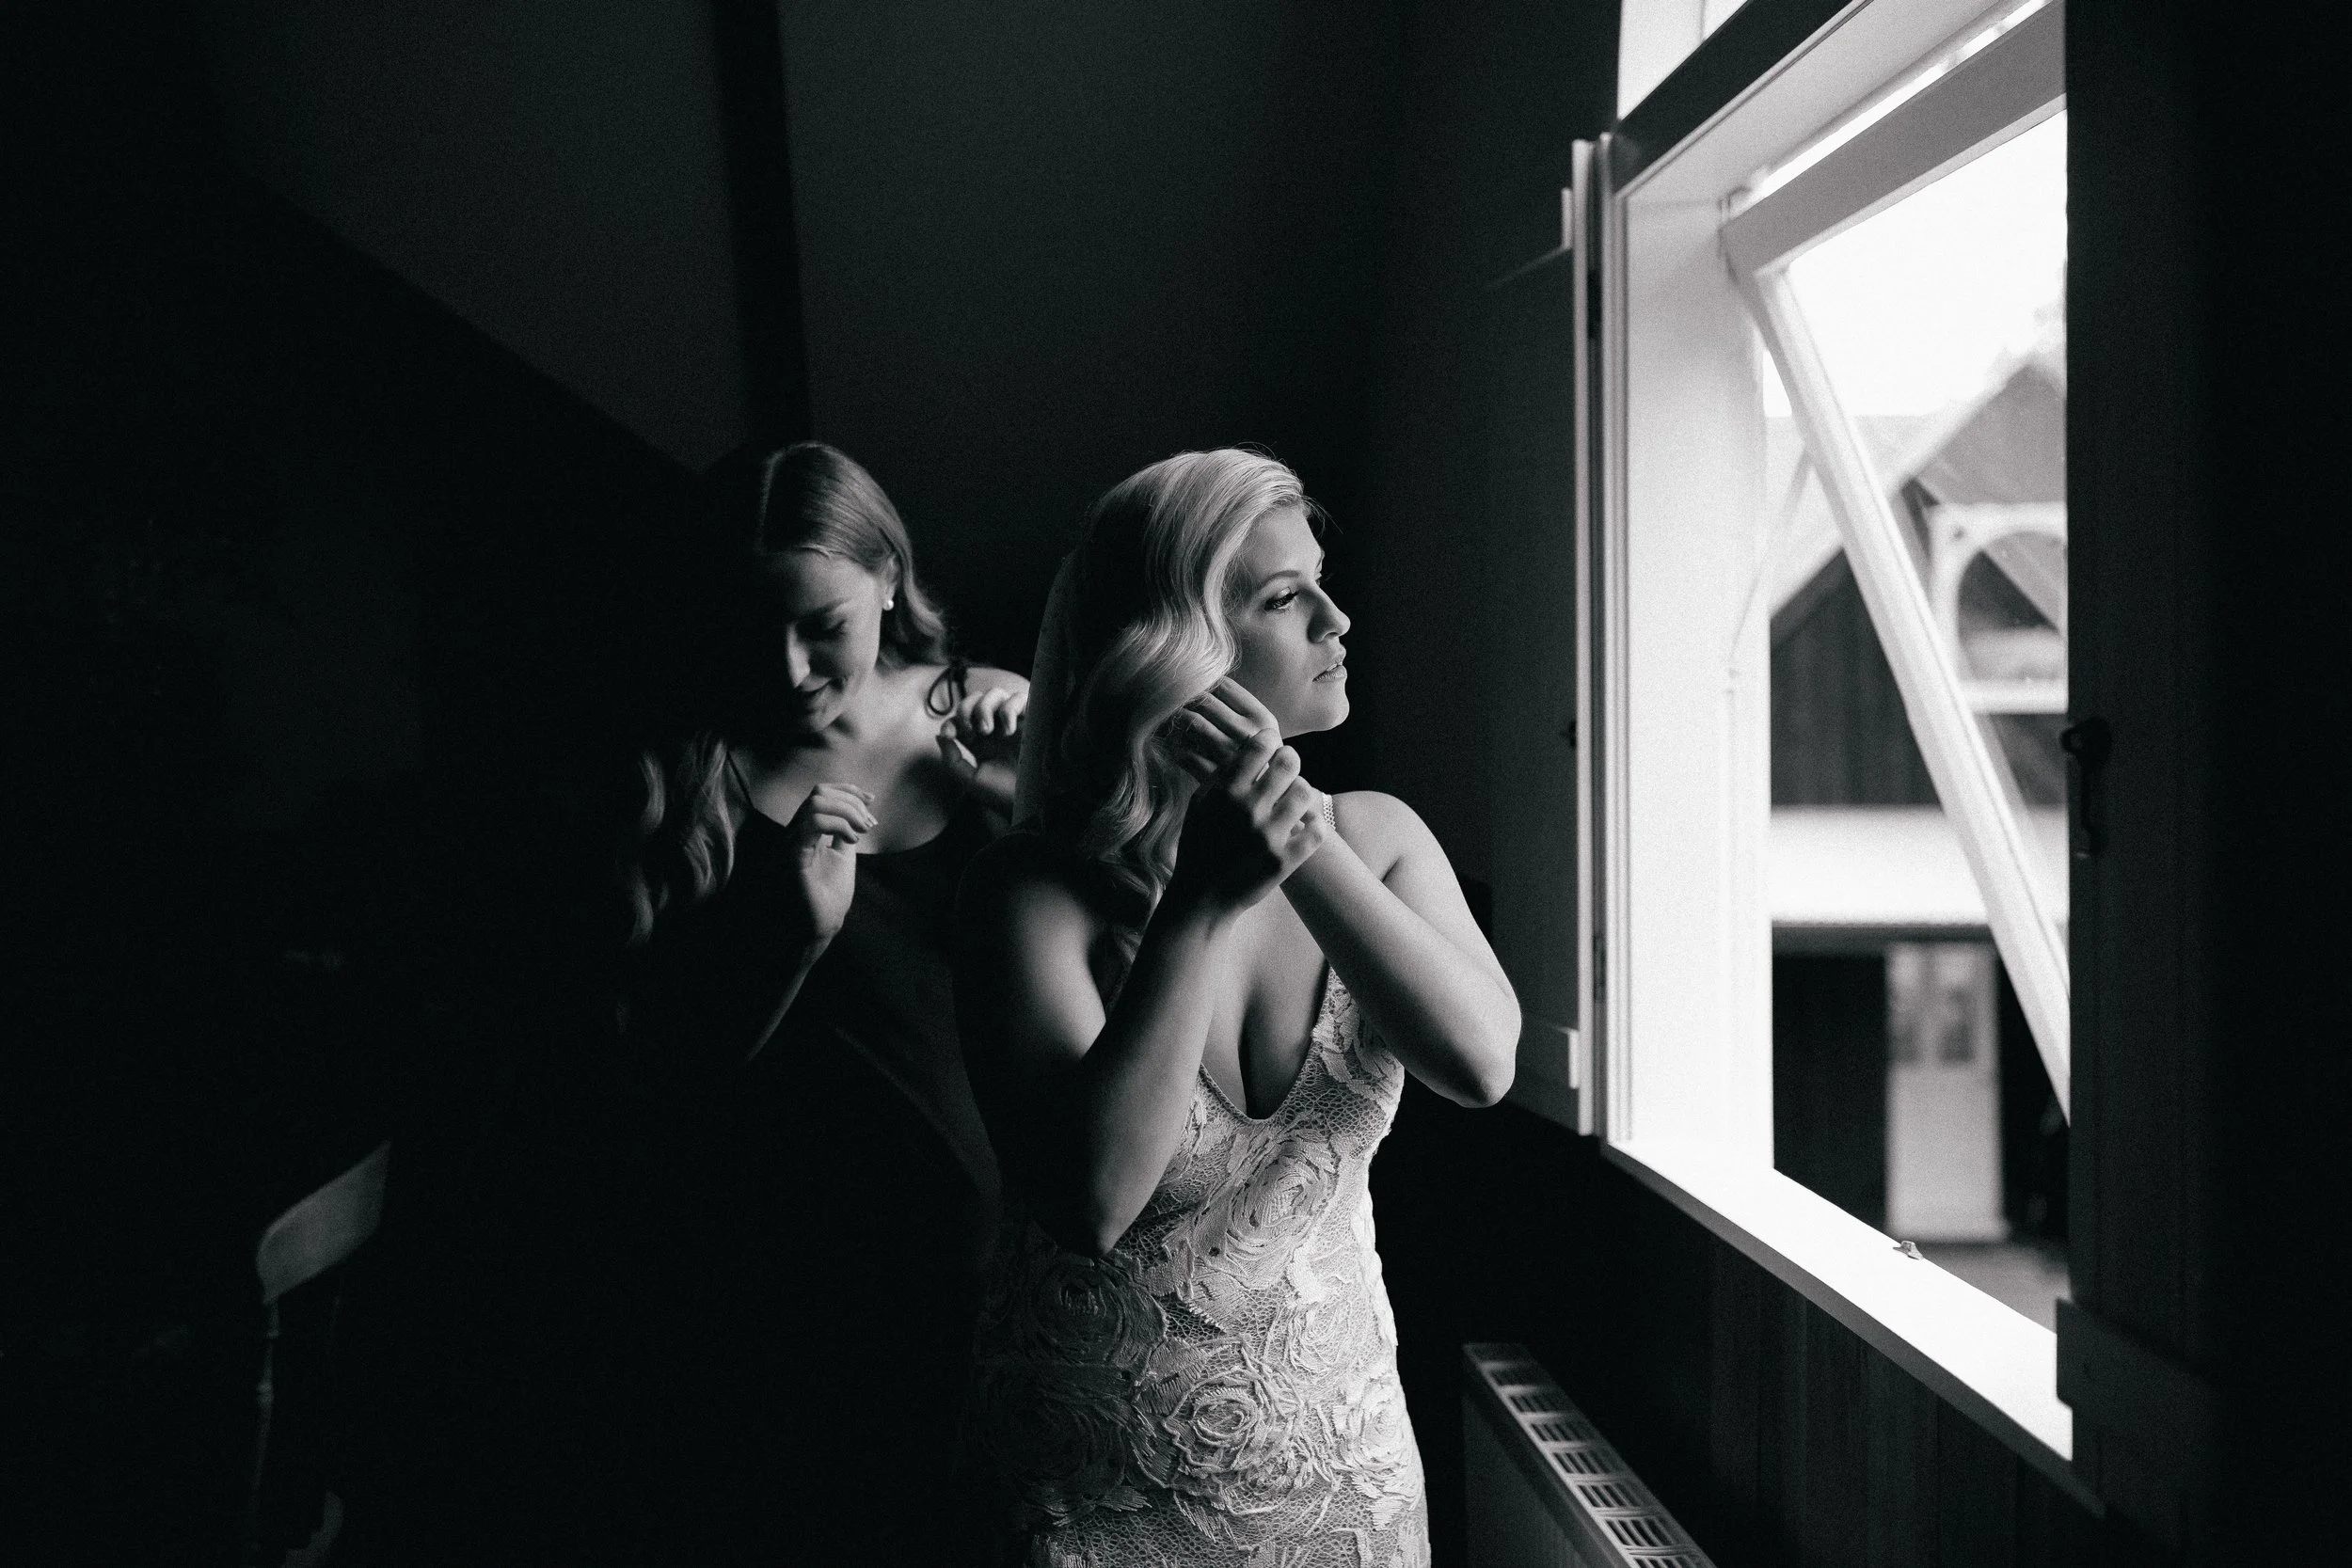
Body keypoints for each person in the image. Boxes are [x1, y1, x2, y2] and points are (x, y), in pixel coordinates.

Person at [954, 449, 1520, 1567]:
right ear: (1183, 652)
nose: (1336, 619)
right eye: (1283, 597)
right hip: (1093, 1502)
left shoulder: (1380, 838)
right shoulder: (1030, 891)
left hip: (1343, 1480)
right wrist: (1197, 906)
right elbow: (1091, 1198)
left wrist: (1296, 836)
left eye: (1322, 583)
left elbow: (1480, 1062)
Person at [611, 440, 1026, 1564]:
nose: (788, 666)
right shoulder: (680, 774)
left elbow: (1109, 968)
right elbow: (652, 1087)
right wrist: (787, 937)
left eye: (821, 625)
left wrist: (1038, 800)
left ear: (888, 578)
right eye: (753, 628)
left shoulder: (991, 718)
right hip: (789, 1298)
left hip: (1009, 1283)